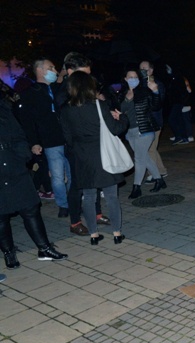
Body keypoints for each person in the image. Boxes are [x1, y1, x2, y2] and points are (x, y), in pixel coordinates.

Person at [1, 87, 68, 269]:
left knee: (30, 209)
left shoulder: (4, 108)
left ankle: (44, 248)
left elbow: (19, 133)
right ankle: (9, 253)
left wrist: (24, 153)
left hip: (15, 166)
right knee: (1, 217)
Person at [60, 72, 129, 245]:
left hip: (83, 157)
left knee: (89, 197)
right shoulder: (99, 105)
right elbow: (115, 129)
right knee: (111, 196)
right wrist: (123, 118)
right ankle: (117, 233)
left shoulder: (66, 109)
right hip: (104, 155)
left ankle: (93, 235)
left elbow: (67, 138)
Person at [15, 57, 71, 218]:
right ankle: (63, 204)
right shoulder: (31, 93)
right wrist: (34, 142)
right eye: (51, 68)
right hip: (50, 140)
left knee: (73, 173)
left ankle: (73, 200)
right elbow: (28, 122)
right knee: (58, 176)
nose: (54, 71)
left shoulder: (58, 89)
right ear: (40, 70)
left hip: (68, 138)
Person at [118, 67, 166, 197]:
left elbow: (156, 106)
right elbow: (120, 110)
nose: (133, 79)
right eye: (130, 77)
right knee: (144, 157)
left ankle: (136, 187)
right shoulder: (122, 93)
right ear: (125, 79)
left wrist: (155, 91)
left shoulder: (144, 91)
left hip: (144, 130)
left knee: (139, 159)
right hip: (129, 131)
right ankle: (159, 180)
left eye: (135, 77)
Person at [140, 60, 168, 182]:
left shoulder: (157, 84)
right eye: (140, 69)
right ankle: (161, 171)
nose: (142, 71)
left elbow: (159, 101)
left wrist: (151, 91)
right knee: (151, 148)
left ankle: (155, 173)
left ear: (151, 70)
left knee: (150, 149)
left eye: (144, 69)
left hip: (154, 121)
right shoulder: (140, 84)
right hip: (144, 121)